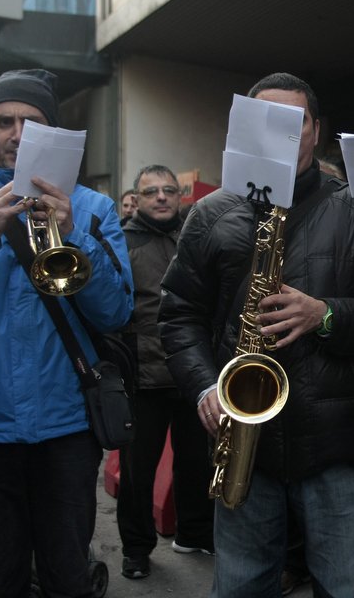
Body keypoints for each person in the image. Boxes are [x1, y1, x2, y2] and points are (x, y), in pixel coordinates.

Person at [158, 72, 354, 598]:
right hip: (244, 437)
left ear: (316, 131)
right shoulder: (209, 213)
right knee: (240, 586)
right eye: (267, 121)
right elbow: (178, 316)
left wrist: (324, 314)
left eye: (296, 121)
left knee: (342, 588)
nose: (283, 135)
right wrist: (203, 387)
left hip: (335, 442)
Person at [0, 68, 134, 596]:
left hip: (65, 430)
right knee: (1, 580)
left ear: (49, 132)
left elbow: (115, 312)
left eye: (30, 122)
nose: (16, 132)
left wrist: (74, 233)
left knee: (66, 578)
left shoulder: (94, 207)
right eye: (3, 121)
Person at [117, 164, 215, 580]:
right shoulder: (120, 241)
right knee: (138, 472)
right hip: (143, 378)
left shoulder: (194, 236)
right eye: (151, 191)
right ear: (136, 199)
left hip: (192, 374)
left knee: (197, 465)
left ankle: (194, 534)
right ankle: (137, 550)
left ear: (180, 197)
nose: (161, 197)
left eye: (169, 191)